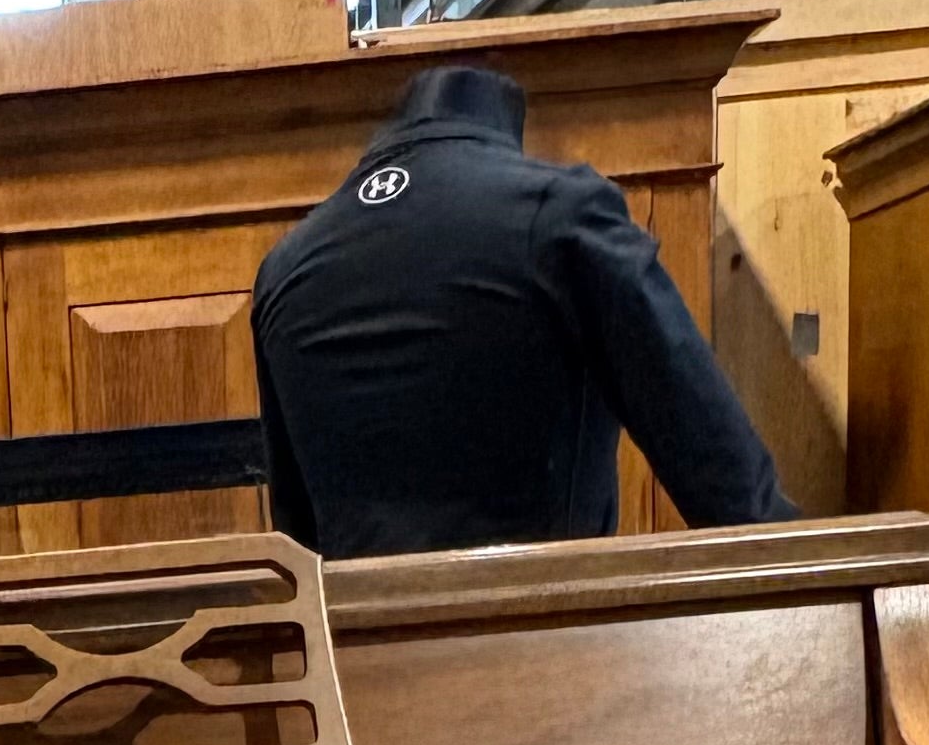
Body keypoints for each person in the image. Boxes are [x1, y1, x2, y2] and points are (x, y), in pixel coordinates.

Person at [252, 62, 793, 559]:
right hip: (543, 645)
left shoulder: (282, 269)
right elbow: (730, 489)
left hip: (355, 657)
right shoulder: (562, 215)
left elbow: (299, 543)